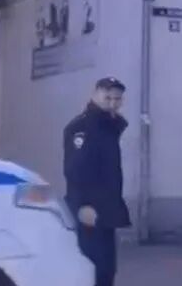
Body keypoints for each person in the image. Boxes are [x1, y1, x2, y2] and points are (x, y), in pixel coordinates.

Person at [63, 77, 131, 286]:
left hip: (105, 209)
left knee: (106, 269)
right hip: (89, 211)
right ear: (95, 95)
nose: (112, 103)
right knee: (93, 268)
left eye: (117, 99)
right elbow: (75, 169)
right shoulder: (82, 127)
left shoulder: (108, 126)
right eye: (107, 97)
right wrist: (83, 205)